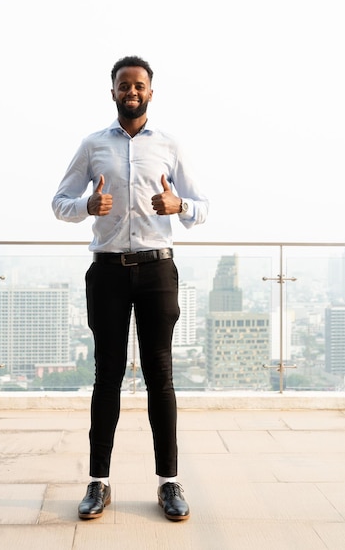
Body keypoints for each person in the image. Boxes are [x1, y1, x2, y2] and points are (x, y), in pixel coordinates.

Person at [52, 55, 208, 521]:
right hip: (108, 273)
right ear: (113, 91)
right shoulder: (92, 144)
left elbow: (202, 207)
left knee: (161, 378)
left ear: (150, 93)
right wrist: (87, 204)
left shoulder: (170, 146)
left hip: (157, 271)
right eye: (124, 85)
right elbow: (60, 203)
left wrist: (177, 204)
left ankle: (168, 483)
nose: (132, 92)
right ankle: (98, 483)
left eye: (139, 85)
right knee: (107, 377)